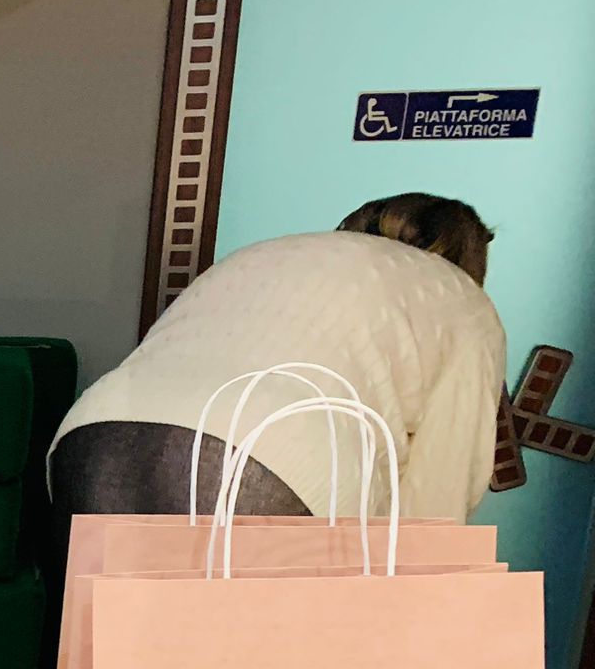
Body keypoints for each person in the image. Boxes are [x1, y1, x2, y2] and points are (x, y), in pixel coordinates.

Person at [49, 193, 506, 523]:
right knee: (263, 635)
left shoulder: (267, 252)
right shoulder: (461, 300)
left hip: (99, 431)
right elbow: (441, 485)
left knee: (112, 629)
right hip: (274, 456)